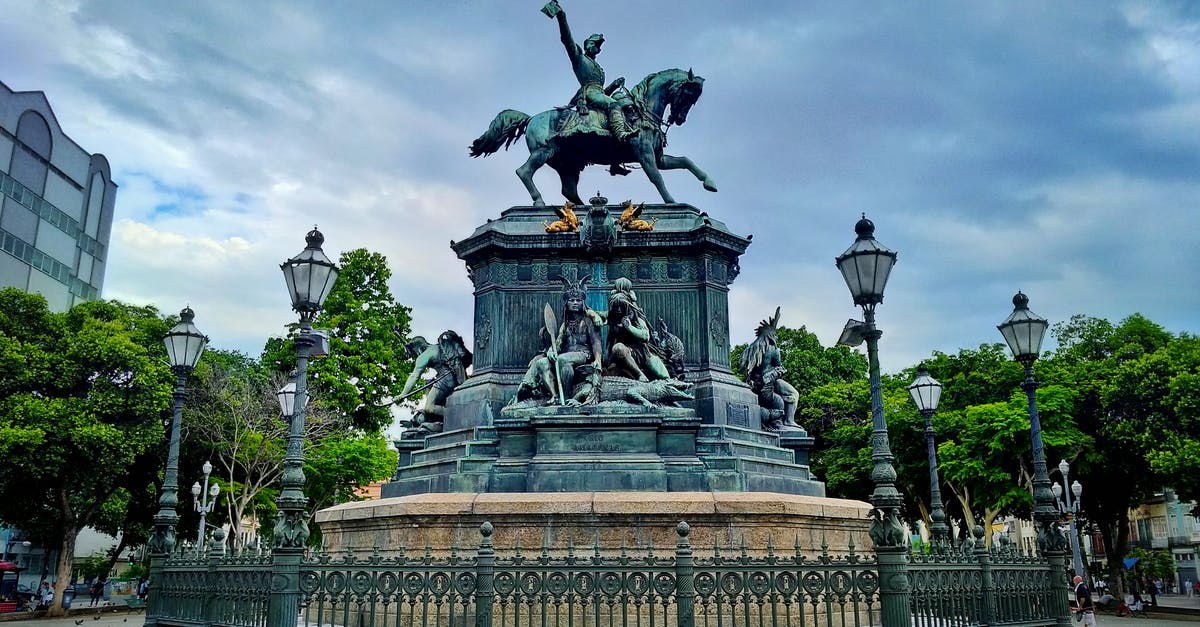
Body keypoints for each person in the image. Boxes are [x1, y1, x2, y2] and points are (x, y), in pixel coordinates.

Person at [544, 0, 639, 142]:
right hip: (588, 93)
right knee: (614, 104)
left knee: (622, 103)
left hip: (597, 94)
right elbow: (567, 39)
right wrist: (561, 17)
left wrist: (613, 85)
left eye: (596, 45)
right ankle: (620, 134)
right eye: (592, 43)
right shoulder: (579, 58)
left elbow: (601, 94)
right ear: (586, 44)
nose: (594, 46)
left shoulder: (599, 69)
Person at [516, 278, 603, 404]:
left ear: (583, 303)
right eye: (571, 300)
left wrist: (598, 359)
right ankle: (555, 397)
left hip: (584, 354)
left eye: (578, 300)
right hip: (566, 354)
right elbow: (558, 343)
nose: (575, 303)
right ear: (566, 303)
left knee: (562, 359)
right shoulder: (565, 324)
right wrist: (552, 351)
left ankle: (567, 398)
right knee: (542, 363)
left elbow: (596, 342)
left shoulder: (589, 321)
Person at [398, 330, 472, 434]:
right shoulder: (437, 347)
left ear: (418, 348)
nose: (415, 356)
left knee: (429, 407)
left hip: (445, 380)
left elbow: (415, 375)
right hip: (455, 376)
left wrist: (403, 394)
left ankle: (457, 415)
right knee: (429, 385)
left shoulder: (424, 355)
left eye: (415, 352)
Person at [739, 307, 801, 431]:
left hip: (756, 385)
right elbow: (779, 367)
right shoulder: (773, 349)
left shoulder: (751, 350)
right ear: (771, 335)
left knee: (779, 399)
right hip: (770, 381)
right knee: (793, 394)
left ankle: (777, 421)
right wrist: (778, 372)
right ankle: (789, 421)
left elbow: (745, 368)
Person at [605, 278, 670, 382]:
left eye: (622, 307)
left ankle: (644, 376)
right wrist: (593, 315)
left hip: (640, 352)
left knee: (619, 348)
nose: (618, 310)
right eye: (616, 307)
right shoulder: (612, 319)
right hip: (620, 355)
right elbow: (601, 315)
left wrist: (629, 328)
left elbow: (645, 336)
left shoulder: (636, 318)